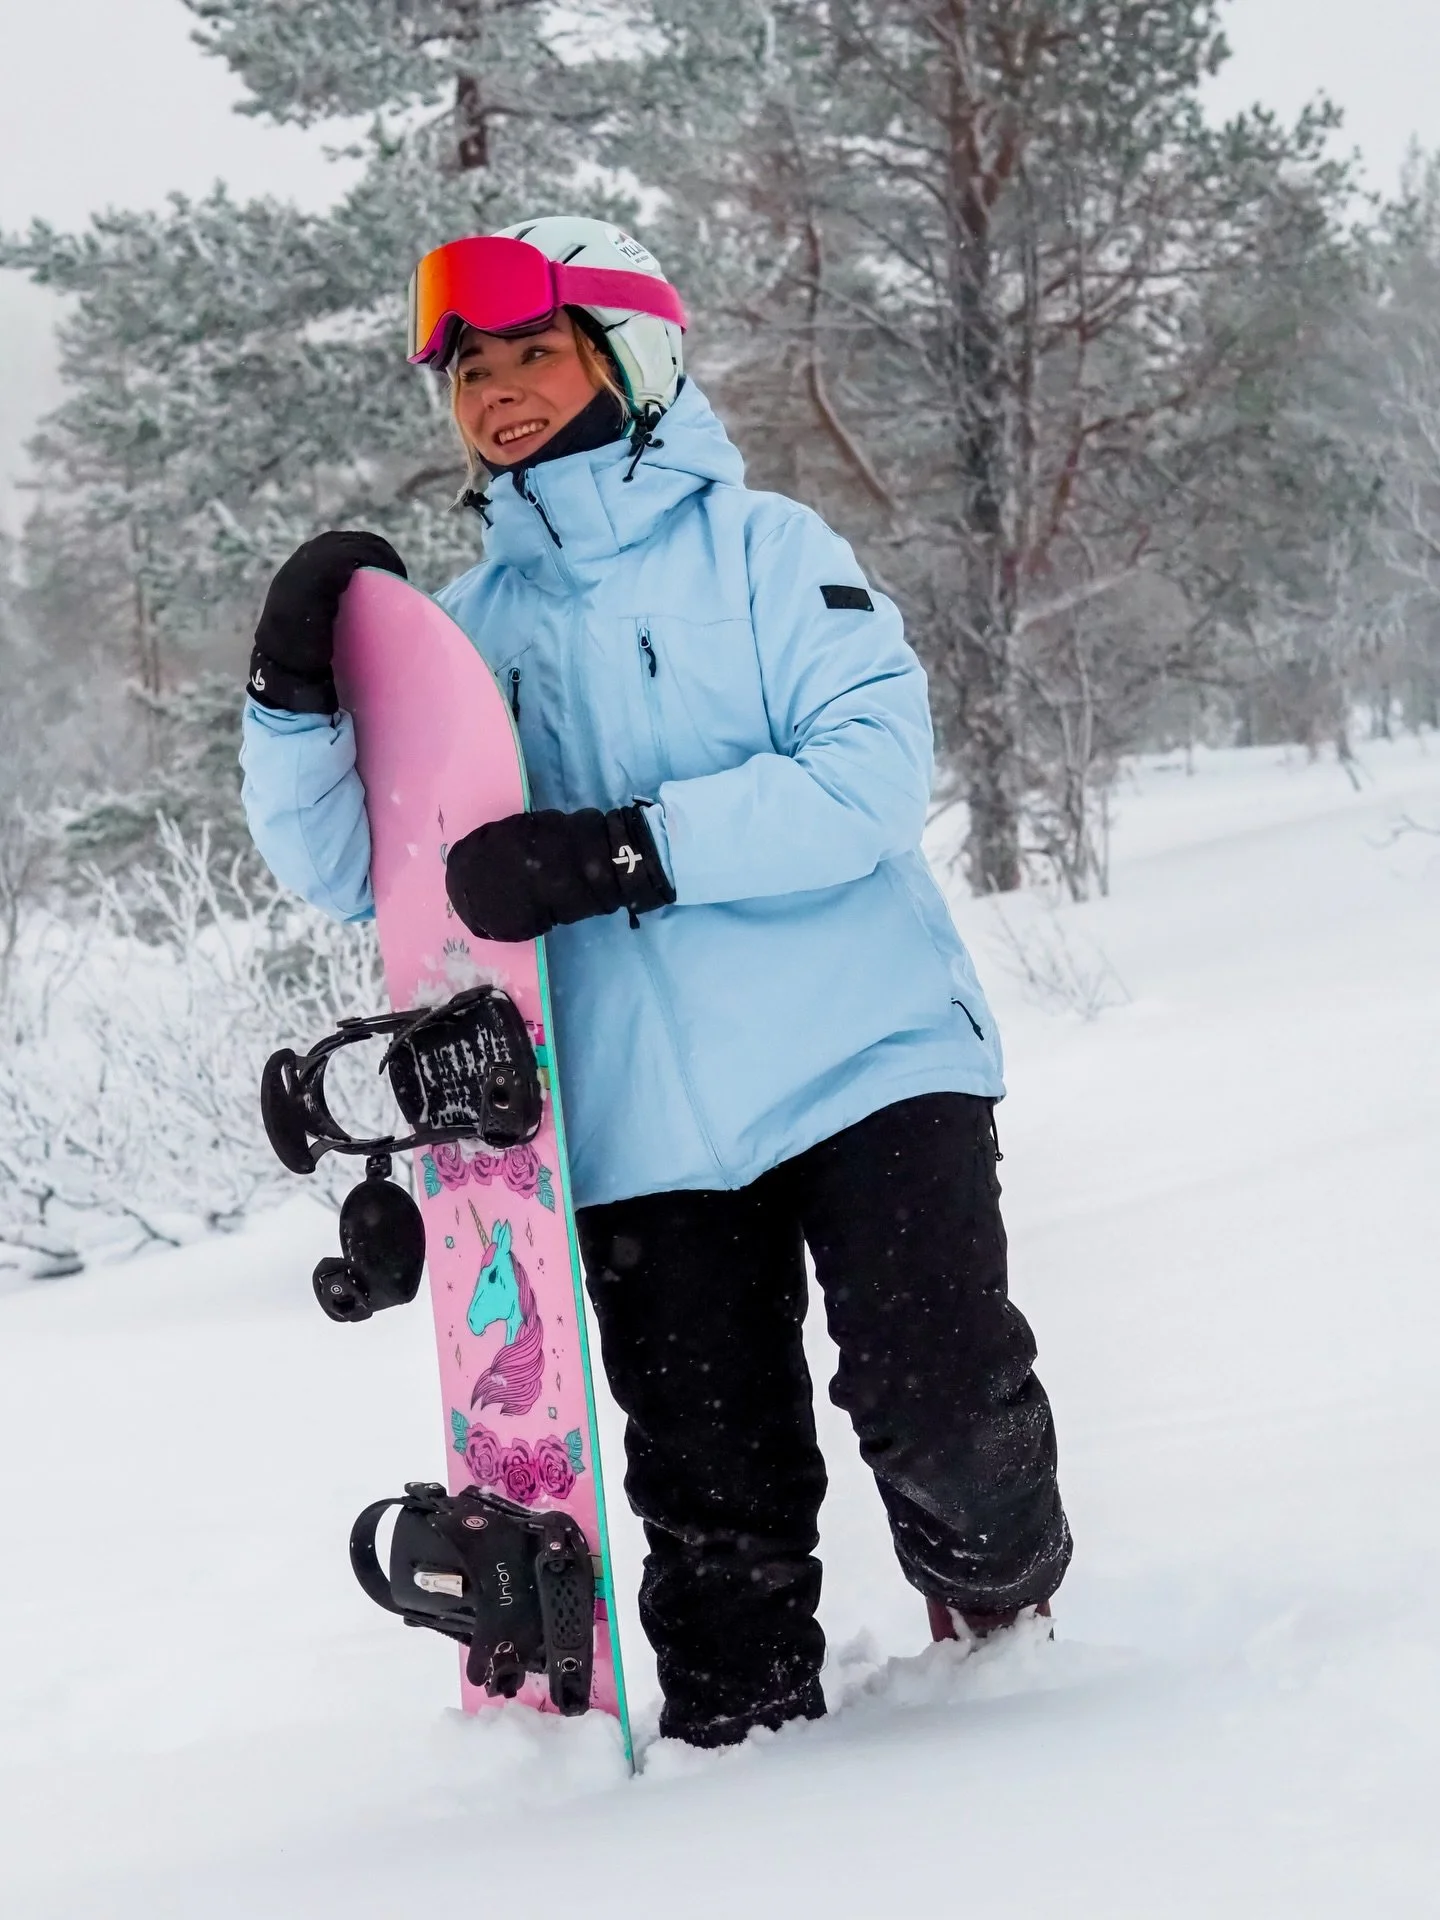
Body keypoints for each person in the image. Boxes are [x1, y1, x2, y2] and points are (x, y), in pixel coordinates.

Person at [240, 216, 1071, 1748]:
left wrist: (622, 852)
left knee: (945, 1410)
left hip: (866, 1059)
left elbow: (869, 778)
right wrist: (294, 703)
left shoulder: (771, 555)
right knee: (713, 1502)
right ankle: (732, 1799)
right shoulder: (460, 643)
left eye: (531, 352)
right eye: (468, 370)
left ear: (631, 357)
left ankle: (1009, 1626)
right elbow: (366, 872)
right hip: (630, 1127)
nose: (494, 392)